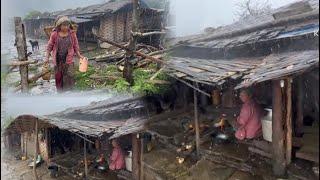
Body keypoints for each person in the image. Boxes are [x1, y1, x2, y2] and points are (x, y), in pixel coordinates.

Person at [45, 16, 84, 92]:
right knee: (59, 77)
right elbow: (49, 46)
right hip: (58, 59)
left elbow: (75, 45)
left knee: (69, 76)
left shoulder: (72, 34)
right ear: (59, 26)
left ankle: (69, 93)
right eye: (64, 25)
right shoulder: (54, 34)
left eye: (67, 25)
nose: (66, 27)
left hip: (68, 58)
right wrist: (46, 57)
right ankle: (60, 93)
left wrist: (79, 55)